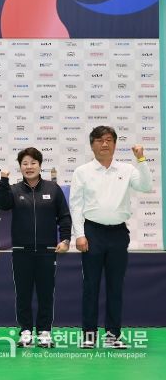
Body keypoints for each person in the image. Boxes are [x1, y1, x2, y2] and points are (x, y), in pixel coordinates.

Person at [70, 126, 152, 349]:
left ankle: (112, 335)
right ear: (92, 145)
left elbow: (146, 186)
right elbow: (75, 205)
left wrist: (141, 159)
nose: (104, 144)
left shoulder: (127, 169)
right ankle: (89, 335)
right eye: (99, 140)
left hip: (118, 234)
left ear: (115, 144)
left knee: (115, 287)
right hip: (92, 233)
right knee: (91, 286)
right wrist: (80, 234)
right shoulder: (82, 171)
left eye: (108, 140)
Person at [0, 147, 71, 348]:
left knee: (46, 293)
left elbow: (64, 216)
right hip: (22, 251)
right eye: (25, 163)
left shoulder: (53, 189)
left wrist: (65, 240)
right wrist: (3, 181)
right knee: (23, 294)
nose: (29, 167)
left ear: (40, 165)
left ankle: (45, 331)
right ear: (20, 167)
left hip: (47, 251)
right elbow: (3, 204)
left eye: (33, 163)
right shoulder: (14, 190)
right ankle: (26, 331)